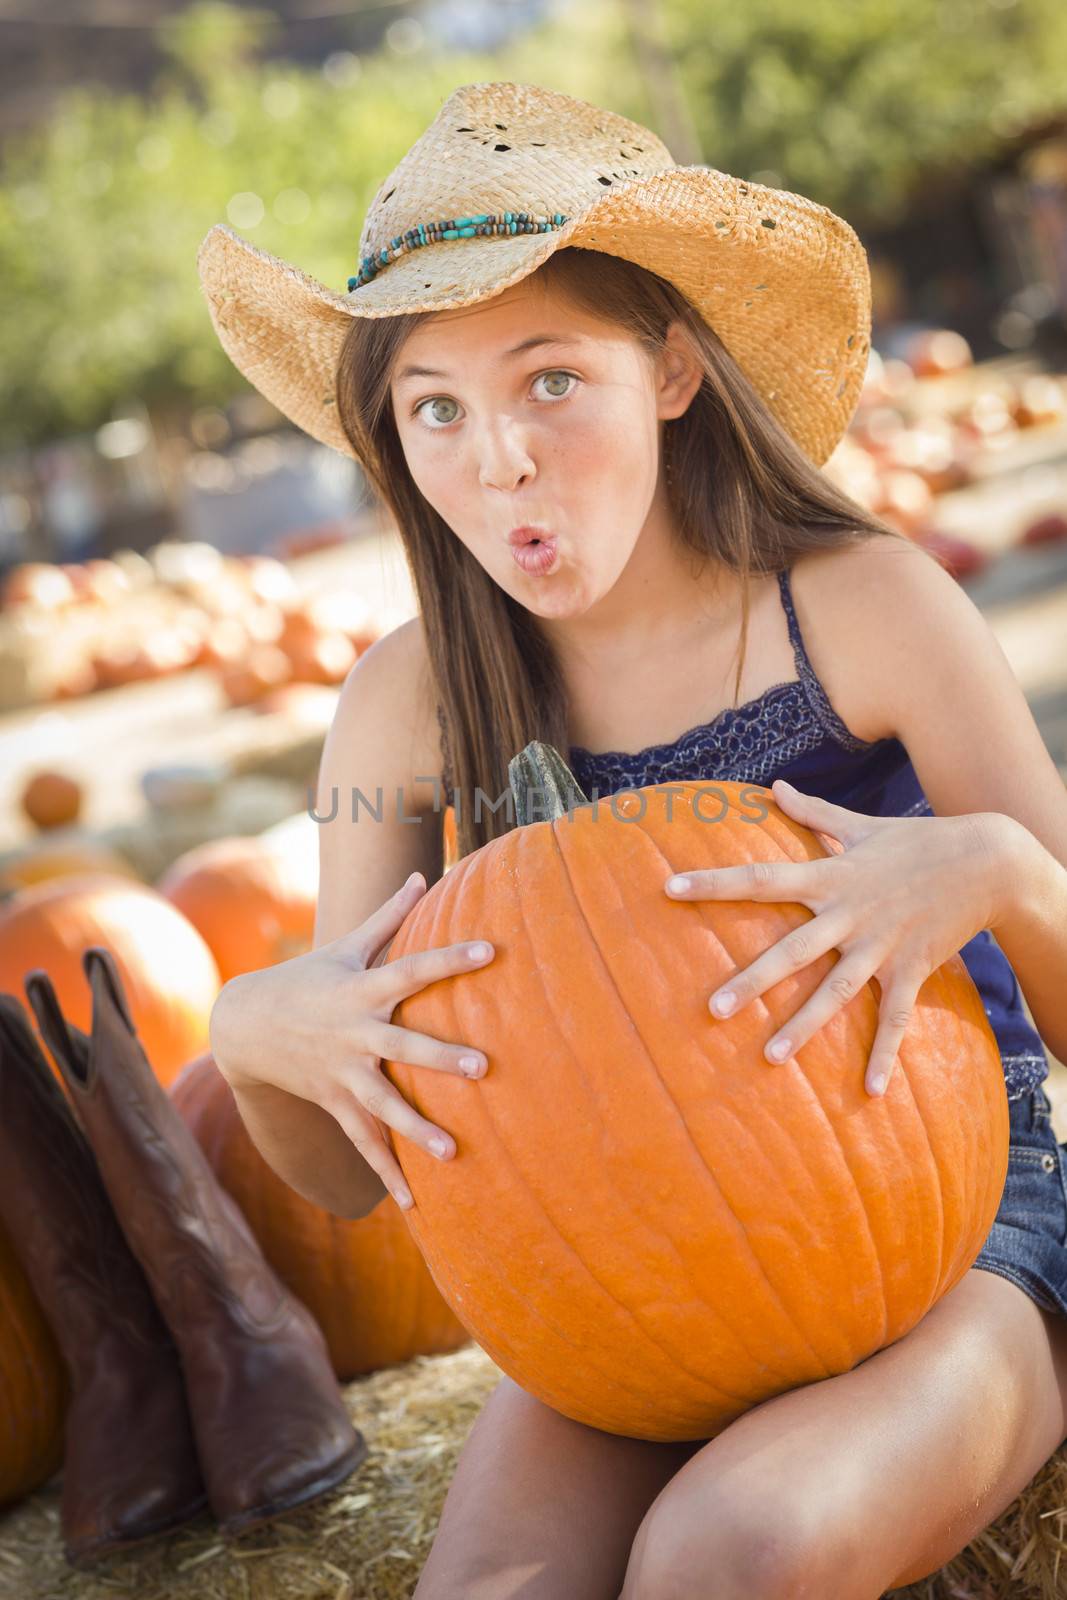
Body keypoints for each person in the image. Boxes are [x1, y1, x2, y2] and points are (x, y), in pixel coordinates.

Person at [199, 81, 1067, 1600]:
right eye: (438, 409)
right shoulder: (404, 712)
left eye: (551, 381)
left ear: (670, 369)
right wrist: (259, 1030)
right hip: (620, 1286)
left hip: (959, 1239)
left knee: (730, 1554)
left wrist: (997, 872)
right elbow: (345, 1181)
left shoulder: (861, 610)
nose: (501, 461)